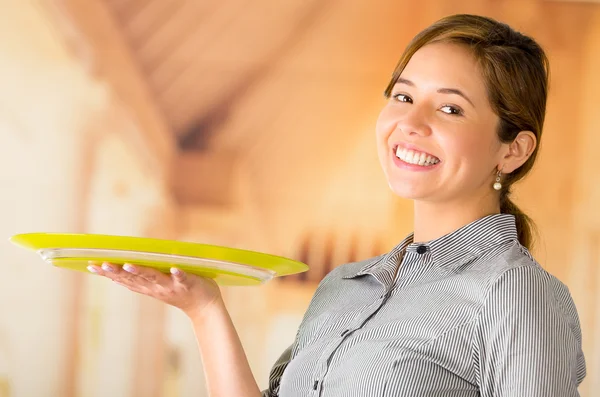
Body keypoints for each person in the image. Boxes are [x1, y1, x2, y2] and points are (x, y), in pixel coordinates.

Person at [87, 13, 586, 397]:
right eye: (403, 96)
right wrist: (204, 308)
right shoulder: (344, 287)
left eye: (451, 108)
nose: (411, 123)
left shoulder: (518, 296)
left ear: (513, 149)